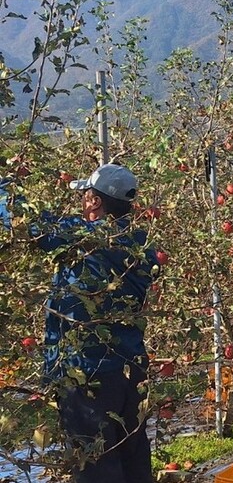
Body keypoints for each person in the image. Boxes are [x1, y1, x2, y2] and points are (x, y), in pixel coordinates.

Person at [2, 164, 158, 482]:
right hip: (131, 368)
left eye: (85, 194)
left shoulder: (82, 238)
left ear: (94, 201)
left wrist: (5, 188)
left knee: (95, 464)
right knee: (133, 456)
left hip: (88, 372)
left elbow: (26, 222)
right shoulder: (142, 244)